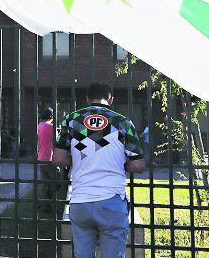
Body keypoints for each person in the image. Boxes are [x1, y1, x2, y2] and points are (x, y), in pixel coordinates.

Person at [53, 83, 145, 258]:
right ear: (111, 99)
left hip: (80, 201)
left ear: (87, 100)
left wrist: (78, 161)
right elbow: (138, 165)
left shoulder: (71, 120)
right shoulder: (122, 122)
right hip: (111, 200)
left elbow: (57, 159)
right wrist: (120, 164)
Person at [36, 107, 59, 213]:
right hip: (50, 158)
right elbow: (58, 141)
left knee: (45, 183)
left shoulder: (39, 126)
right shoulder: (52, 127)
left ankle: (43, 204)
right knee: (57, 181)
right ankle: (47, 202)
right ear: (51, 116)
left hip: (41, 158)